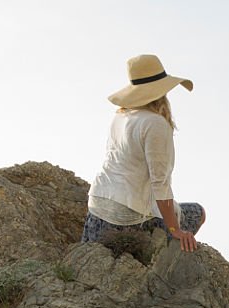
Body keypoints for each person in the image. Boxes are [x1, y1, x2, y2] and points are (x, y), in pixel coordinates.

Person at [82, 54, 204, 253]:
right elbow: (160, 184)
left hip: (97, 209)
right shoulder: (156, 124)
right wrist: (175, 230)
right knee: (198, 213)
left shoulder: (120, 116)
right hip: (126, 221)